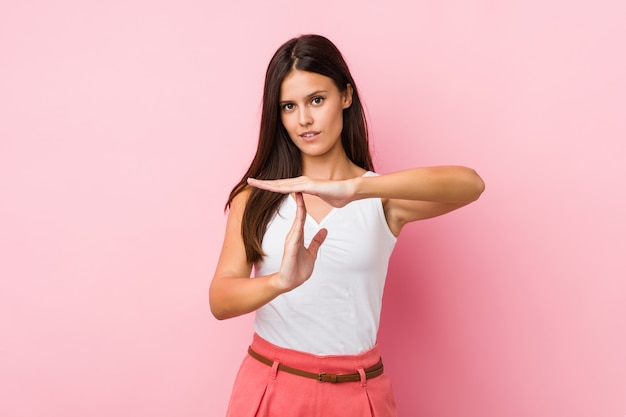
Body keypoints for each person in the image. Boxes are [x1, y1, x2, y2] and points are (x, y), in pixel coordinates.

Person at [209, 34, 485, 417]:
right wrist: (279, 282)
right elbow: (220, 300)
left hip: (357, 394)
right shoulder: (255, 197)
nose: (304, 119)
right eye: (289, 106)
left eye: (316, 100)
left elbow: (471, 184)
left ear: (346, 96)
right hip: (272, 386)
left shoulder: (380, 198)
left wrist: (357, 187)